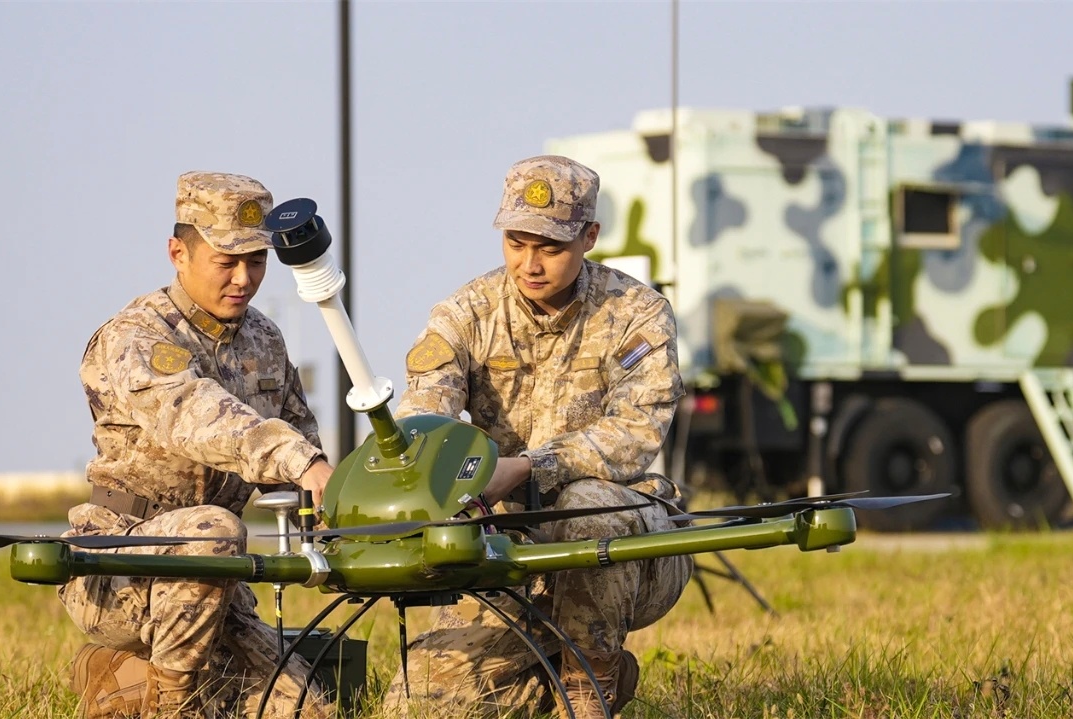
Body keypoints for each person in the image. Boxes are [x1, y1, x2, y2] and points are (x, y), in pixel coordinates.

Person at [384, 155, 693, 719]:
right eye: (516, 243)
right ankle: (553, 676)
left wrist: (529, 467)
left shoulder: (636, 313)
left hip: (629, 544)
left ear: (590, 237)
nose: (529, 264)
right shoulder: (465, 313)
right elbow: (426, 414)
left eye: (549, 248)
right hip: (506, 549)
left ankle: (589, 683)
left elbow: (635, 431)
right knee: (421, 705)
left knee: (585, 504)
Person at [58, 171, 335, 719]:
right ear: (177, 252)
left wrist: (338, 510)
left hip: (217, 577)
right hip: (119, 561)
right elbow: (198, 415)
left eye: (256, 261)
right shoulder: (136, 335)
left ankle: (122, 680)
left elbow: (305, 446)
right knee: (212, 529)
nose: (244, 278)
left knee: (306, 710)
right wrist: (301, 461)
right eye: (226, 262)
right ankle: (171, 707)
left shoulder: (265, 339)